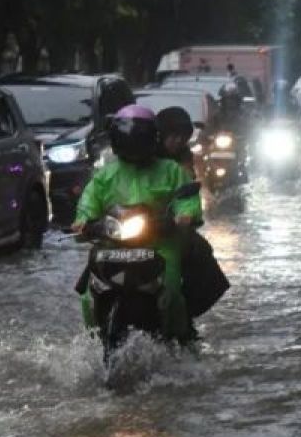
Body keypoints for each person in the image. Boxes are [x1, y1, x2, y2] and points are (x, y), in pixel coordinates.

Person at [72, 105, 203, 344]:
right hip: (112, 246)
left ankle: (180, 339)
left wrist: (184, 215)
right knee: (86, 294)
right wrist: (82, 223)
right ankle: (92, 340)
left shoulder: (171, 170)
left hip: (160, 245)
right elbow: (88, 204)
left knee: (172, 289)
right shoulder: (105, 175)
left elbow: (187, 199)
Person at [154, 106, 230, 336]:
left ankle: (183, 317)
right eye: (172, 136)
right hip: (134, 224)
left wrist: (186, 215)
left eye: (182, 137)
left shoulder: (183, 159)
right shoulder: (140, 156)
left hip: (170, 226)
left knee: (202, 258)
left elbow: (189, 190)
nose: (177, 141)